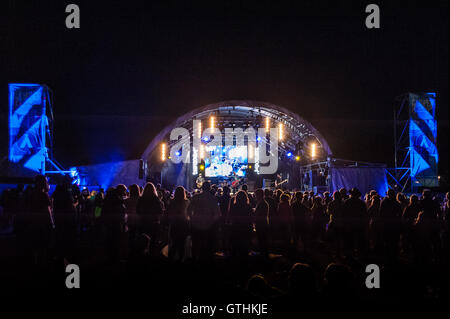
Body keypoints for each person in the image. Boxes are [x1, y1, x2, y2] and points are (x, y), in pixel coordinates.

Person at [187, 181, 220, 262]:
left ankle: (194, 260)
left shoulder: (196, 197)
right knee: (207, 244)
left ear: (202, 188)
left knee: (195, 243)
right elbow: (217, 213)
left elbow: (189, 210)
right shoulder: (212, 198)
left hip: (196, 224)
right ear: (209, 188)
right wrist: (213, 222)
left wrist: (191, 219)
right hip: (208, 225)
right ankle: (206, 261)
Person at [136, 182, 164, 254]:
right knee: (153, 241)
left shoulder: (141, 199)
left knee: (143, 240)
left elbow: (137, 210)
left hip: (143, 222)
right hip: (153, 222)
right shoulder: (156, 199)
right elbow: (160, 211)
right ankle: (151, 256)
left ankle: (141, 255)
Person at [341, 188, 367, 257]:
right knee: (359, 241)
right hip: (359, 225)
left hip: (349, 225)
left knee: (350, 241)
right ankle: (359, 254)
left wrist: (344, 224)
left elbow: (343, 214)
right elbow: (365, 214)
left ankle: (350, 255)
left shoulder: (347, 202)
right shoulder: (361, 203)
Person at [167, 186, 189, 262]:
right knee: (182, 243)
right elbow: (188, 214)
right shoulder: (186, 202)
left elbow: (168, 213)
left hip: (174, 224)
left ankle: (170, 259)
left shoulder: (172, 202)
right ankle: (180, 259)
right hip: (183, 224)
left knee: (174, 243)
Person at [379, 189, 402, 261]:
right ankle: (394, 257)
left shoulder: (384, 202)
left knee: (387, 241)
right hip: (394, 225)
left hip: (386, 224)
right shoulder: (396, 203)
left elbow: (381, 213)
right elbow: (400, 214)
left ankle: (388, 257)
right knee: (394, 242)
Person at [228, 190, 253, 258]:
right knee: (244, 247)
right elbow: (251, 217)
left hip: (235, 227)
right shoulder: (248, 206)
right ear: (245, 198)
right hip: (246, 228)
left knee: (235, 246)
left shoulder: (234, 206)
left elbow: (230, 216)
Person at [254, 189, 269, 257]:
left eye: (256, 195)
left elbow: (259, 214)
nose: (255, 196)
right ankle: (263, 253)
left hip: (261, 223)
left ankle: (263, 253)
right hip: (263, 223)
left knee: (262, 239)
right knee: (262, 239)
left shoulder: (262, 203)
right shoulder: (262, 202)